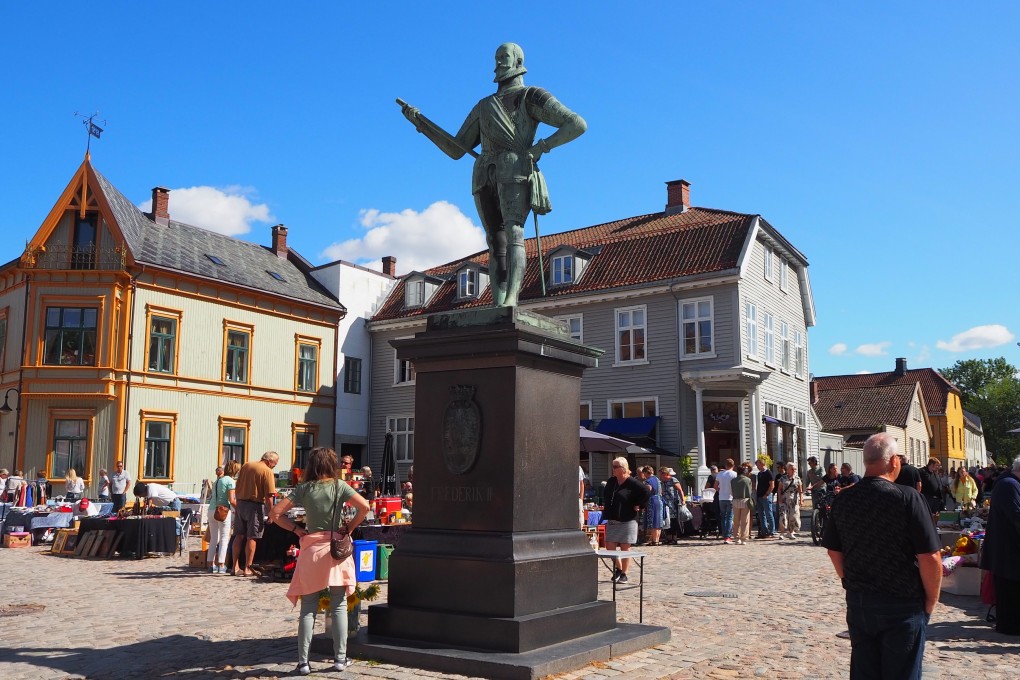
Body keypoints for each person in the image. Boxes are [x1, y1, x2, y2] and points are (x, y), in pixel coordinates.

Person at [400, 43, 586, 307]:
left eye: (504, 57)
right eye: (496, 58)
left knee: (514, 233)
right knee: (494, 239)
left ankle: (511, 299)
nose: (499, 62)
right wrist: (421, 124)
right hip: (483, 175)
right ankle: (498, 302)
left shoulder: (532, 96)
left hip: (515, 169)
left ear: (518, 60)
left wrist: (541, 147)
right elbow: (456, 148)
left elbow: (576, 123)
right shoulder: (484, 105)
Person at [821, 433, 942, 680]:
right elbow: (930, 556)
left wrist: (850, 579)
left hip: (861, 601)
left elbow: (834, 549)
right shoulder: (908, 498)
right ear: (894, 461)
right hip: (902, 602)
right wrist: (931, 600)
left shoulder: (844, 498)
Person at [269, 447, 370, 675]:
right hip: (335, 549)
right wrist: (349, 528)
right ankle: (340, 659)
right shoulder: (339, 486)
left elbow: (275, 514)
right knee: (339, 605)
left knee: (308, 609)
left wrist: (296, 529)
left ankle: (303, 662)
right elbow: (365, 506)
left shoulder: (304, 488)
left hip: (312, 548)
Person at [979, 455, 1020, 636]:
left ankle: (1010, 623)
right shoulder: (1009, 485)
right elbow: (1016, 515)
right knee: (1009, 589)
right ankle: (1009, 626)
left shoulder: (1010, 483)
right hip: (1007, 548)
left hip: (1008, 547)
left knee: (1010, 588)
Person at [232, 451, 279, 576]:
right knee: (252, 537)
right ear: (270, 461)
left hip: (240, 503)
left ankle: (234, 567)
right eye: (275, 464)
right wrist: (272, 513)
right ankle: (248, 568)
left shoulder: (246, 465)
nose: (274, 466)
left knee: (238, 535)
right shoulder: (267, 471)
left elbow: (238, 485)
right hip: (255, 505)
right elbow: (269, 497)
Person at [602, 457, 649, 584]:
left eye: (616, 466)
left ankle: (624, 573)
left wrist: (639, 504)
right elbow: (607, 495)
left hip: (628, 519)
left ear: (623, 468)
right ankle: (618, 568)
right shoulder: (612, 481)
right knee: (609, 545)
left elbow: (646, 491)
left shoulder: (632, 482)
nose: (613, 469)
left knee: (625, 547)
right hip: (613, 518)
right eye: (613, 466)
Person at [206, 464, 237, 574]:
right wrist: (239, 509)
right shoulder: (230, 481)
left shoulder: (216, 482)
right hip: (222, 510)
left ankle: (210, 564)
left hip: (211, 510)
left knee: (214, 538)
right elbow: (232, 500)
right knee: (224, 538)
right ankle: (221, 565)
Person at [658, 467, 686, 543]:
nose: (660, 475)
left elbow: (680, 490)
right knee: (667, 520)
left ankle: (674, 538)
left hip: (673, 503)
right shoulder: (661, 482)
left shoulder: (673, 480)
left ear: (665, 474)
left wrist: (683, 500)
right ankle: (669, 537)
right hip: (665, 503)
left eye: (661, 474)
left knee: (673, 520)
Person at [776, 462, 803, 539]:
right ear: (787, 469)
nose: (794, 470)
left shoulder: (797, 479)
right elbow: (779, 489)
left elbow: (800, 490)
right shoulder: (783, 478)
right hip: (784, 500)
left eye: (795, 469)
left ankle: (790, 532)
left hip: (793, 501)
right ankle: (782, 533)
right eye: (792, 469)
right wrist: (779, 498)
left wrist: (801, 499)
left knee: (792, 517)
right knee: (783, 517)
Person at [731, 462, 755, 545]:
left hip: (735, 500)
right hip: (745, 500)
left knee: (736, 520)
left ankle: (736, 538)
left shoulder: (733, 480)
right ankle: (744, 538)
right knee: (745, 521)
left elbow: (732, 491)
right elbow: (750, 491)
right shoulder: (748, 480)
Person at [638, 466, 663, 546]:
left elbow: (648, 491)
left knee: (653, 521)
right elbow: (661, 491)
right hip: (659, 500)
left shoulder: (648, 481)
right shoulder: (657, 479)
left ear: (645, 472)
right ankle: (657, 539)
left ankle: (654, 540)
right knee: (658, 520)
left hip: (652, 501)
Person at [714, 459, 738, 544]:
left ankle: (724, 535)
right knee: (729, 517)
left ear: (725, 465)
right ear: (733, 465)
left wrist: (720, 491)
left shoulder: (720, 474)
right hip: (730, 497)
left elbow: (715, 486)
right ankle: (728, 536)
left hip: (721, 497)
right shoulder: (735, 474)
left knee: (723, 517)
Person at [754, 458, 776, 539]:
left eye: (758, 465)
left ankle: (772, 531)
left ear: (762, 464)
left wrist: (767, 494)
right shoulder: (759, 473)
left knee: (768, 514)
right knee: (761, 514)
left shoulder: (768, 473)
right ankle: (764, 531)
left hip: (766, 496)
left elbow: (772, 485)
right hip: (759, 496)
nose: (757, 466)